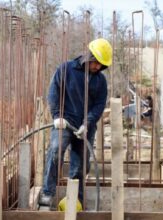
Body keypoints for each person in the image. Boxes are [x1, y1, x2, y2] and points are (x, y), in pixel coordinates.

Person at [39, 38, 112, 208]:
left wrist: (88, 123)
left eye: (101, 65)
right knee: (56, 149)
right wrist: (57, 116)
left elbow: (99, 105)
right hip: (65, 121)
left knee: (81, 164)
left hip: (85, 126)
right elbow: (53, 93)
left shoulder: (100, 81)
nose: (98, 67)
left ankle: (76, 199)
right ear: (89, 56)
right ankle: (47, 193)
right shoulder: (65, 69)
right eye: (96, 63)